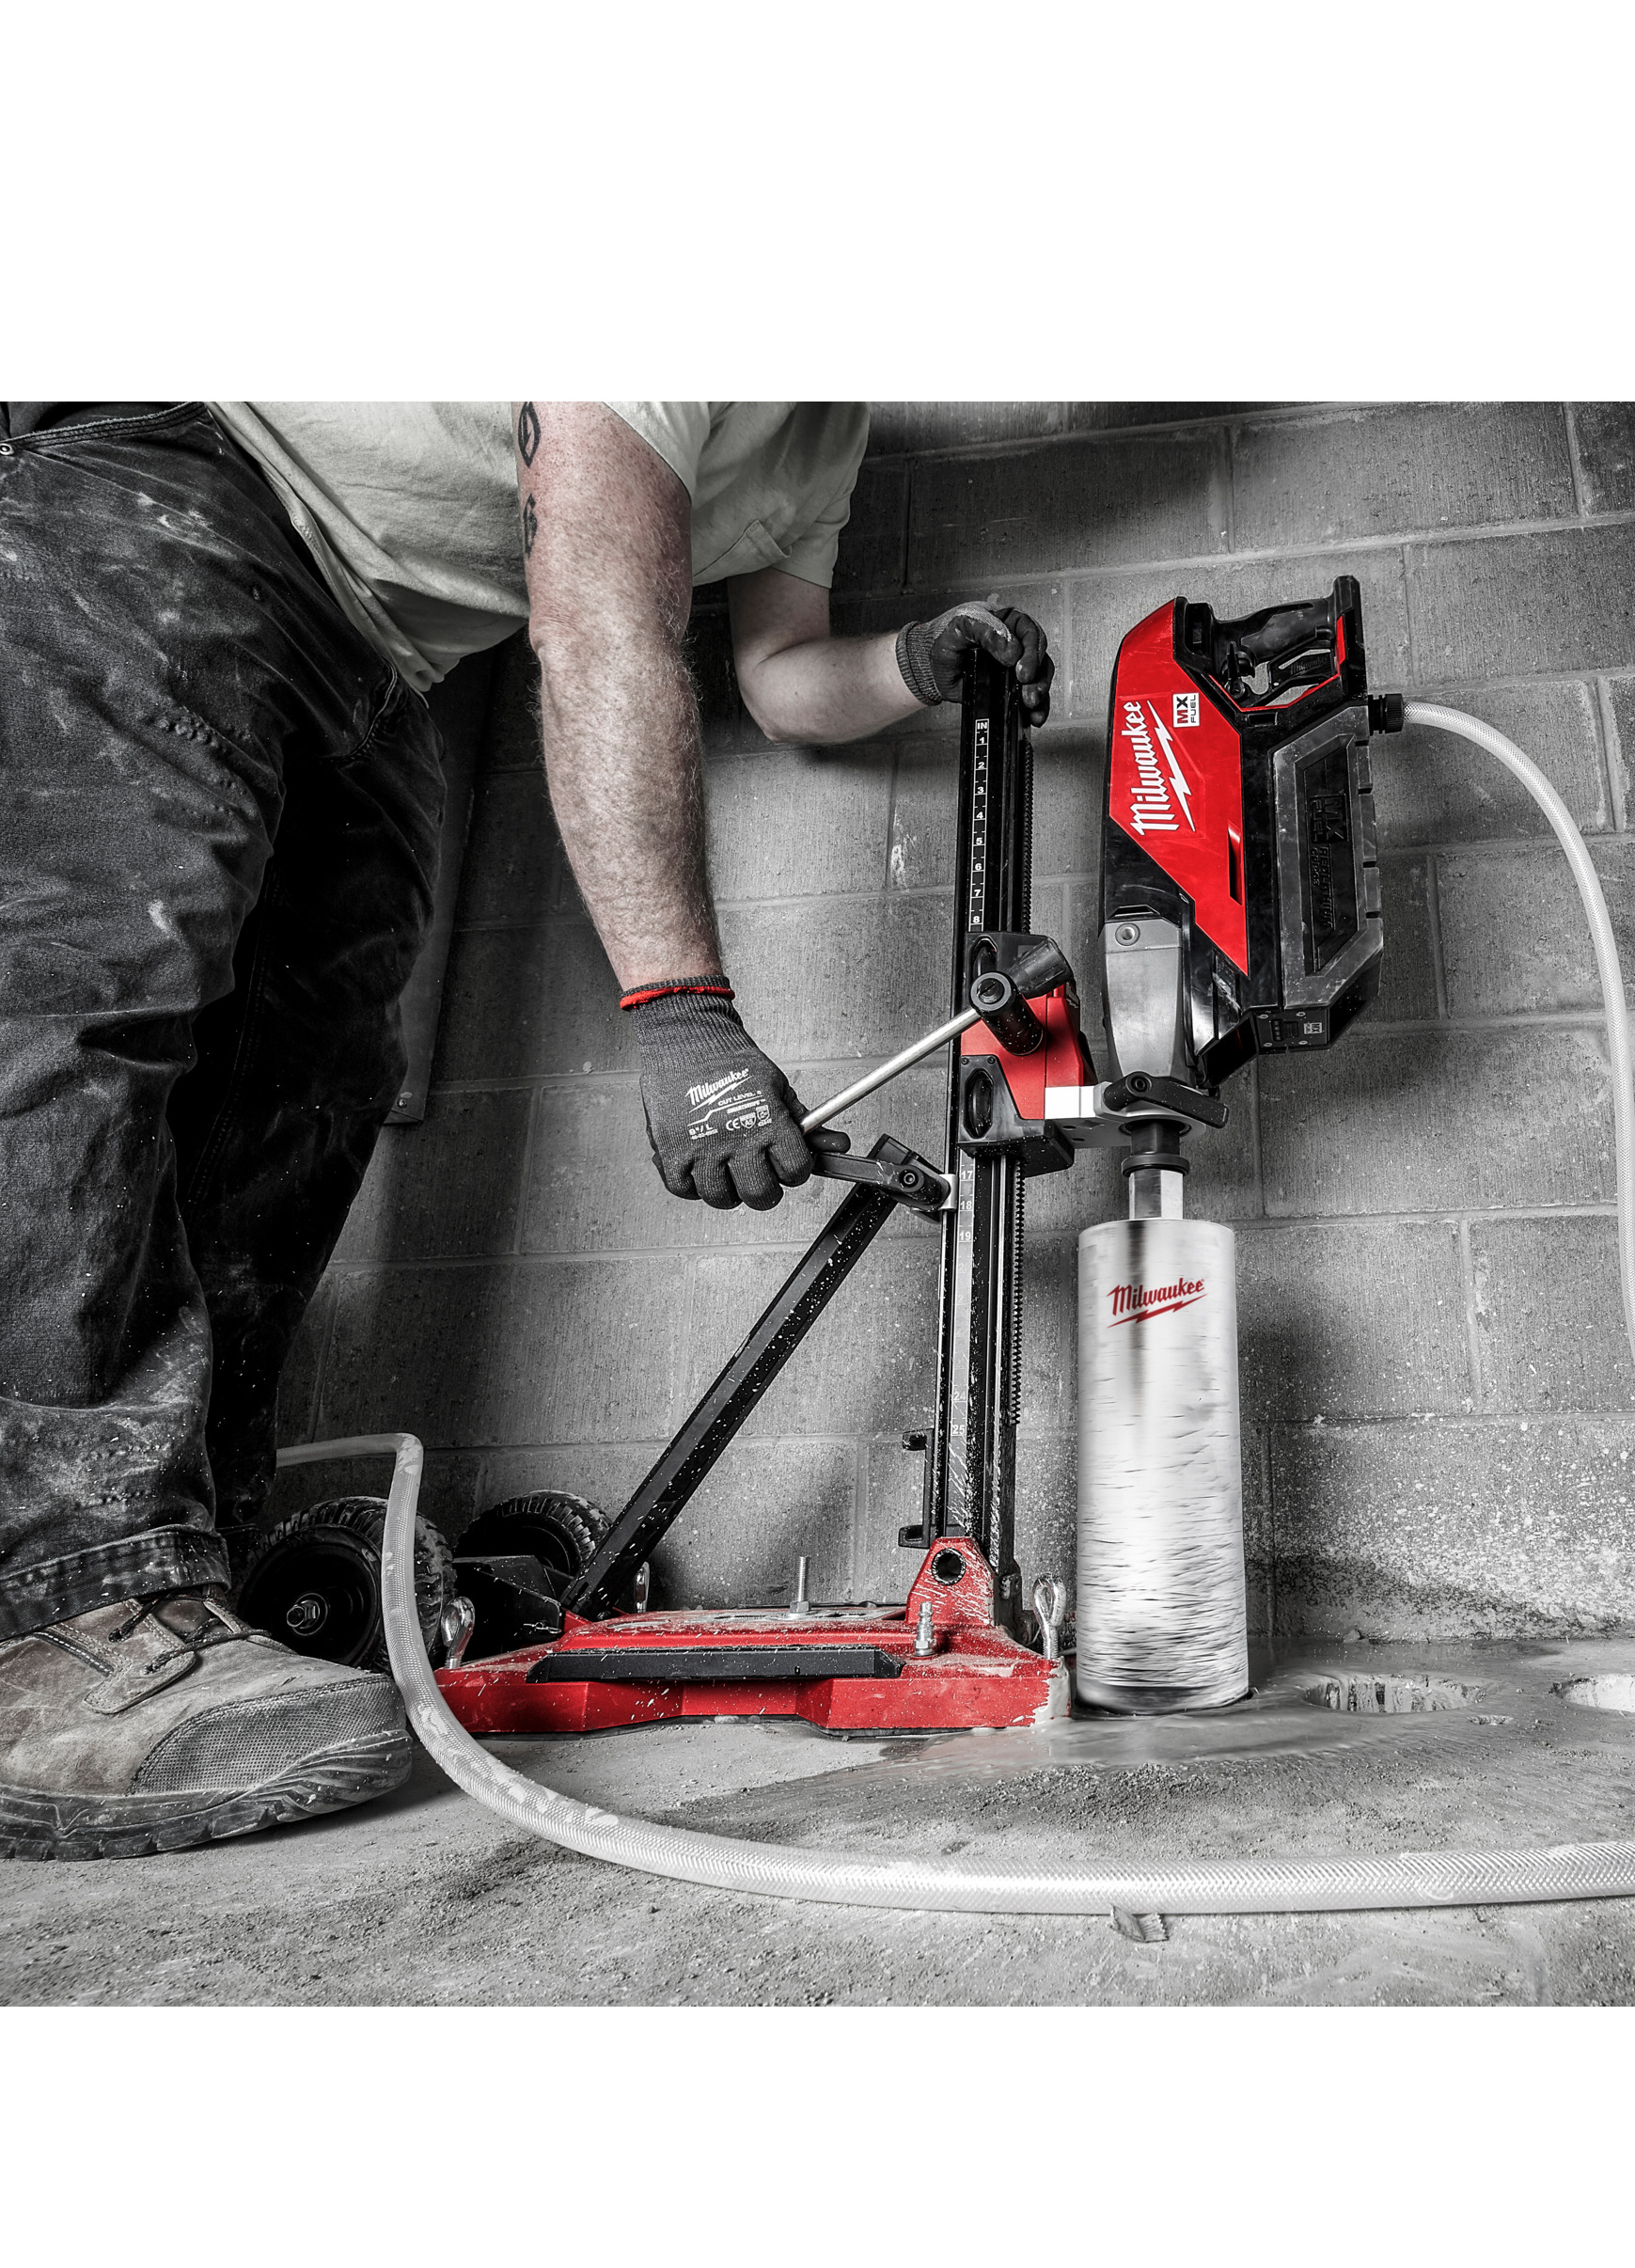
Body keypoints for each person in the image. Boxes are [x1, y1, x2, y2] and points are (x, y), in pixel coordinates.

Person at [0, 401, 1052, 1860]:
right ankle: (56, 1610)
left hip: (372, 653)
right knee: (88, 1007)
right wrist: (682, 1011)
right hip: (179, 492)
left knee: (303, 1092)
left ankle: (176, 1586)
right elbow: (602, 615)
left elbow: (781, 678)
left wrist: (920, 660)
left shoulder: (824, 431)